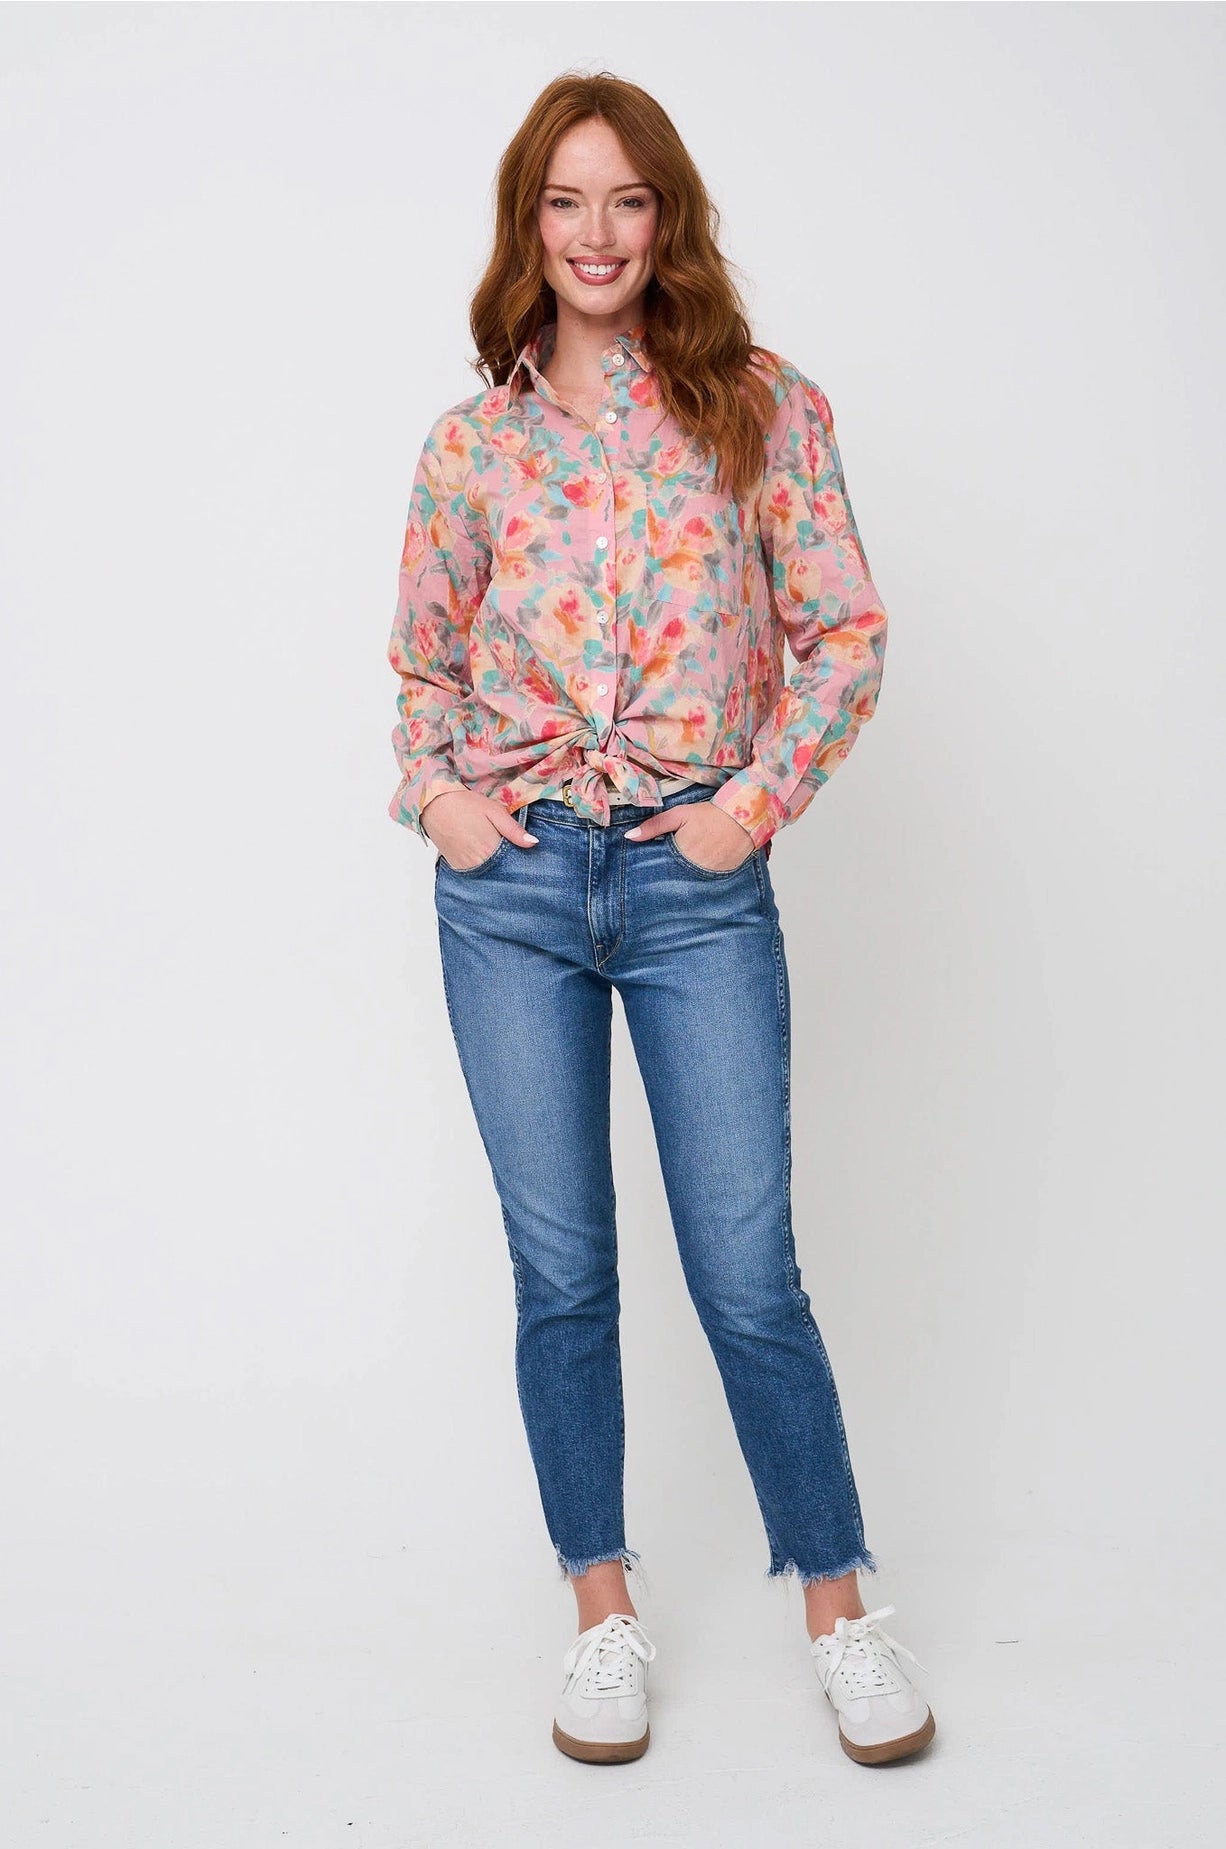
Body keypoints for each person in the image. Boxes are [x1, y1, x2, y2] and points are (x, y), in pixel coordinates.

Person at [387, 70, 936, 1769]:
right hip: (512, 889)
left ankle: (838, 1607)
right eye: (565, 201)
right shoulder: (473, 446)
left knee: (746, 1269)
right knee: (561, 1269)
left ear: (666, 216)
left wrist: (747, 809)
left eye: (625, 199)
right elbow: (421, 665)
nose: (597, 232)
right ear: (527, 225)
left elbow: (842, 634)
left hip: (696, 888)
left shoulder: (760, 408)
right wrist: (441, 799)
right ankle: (600, 1610)